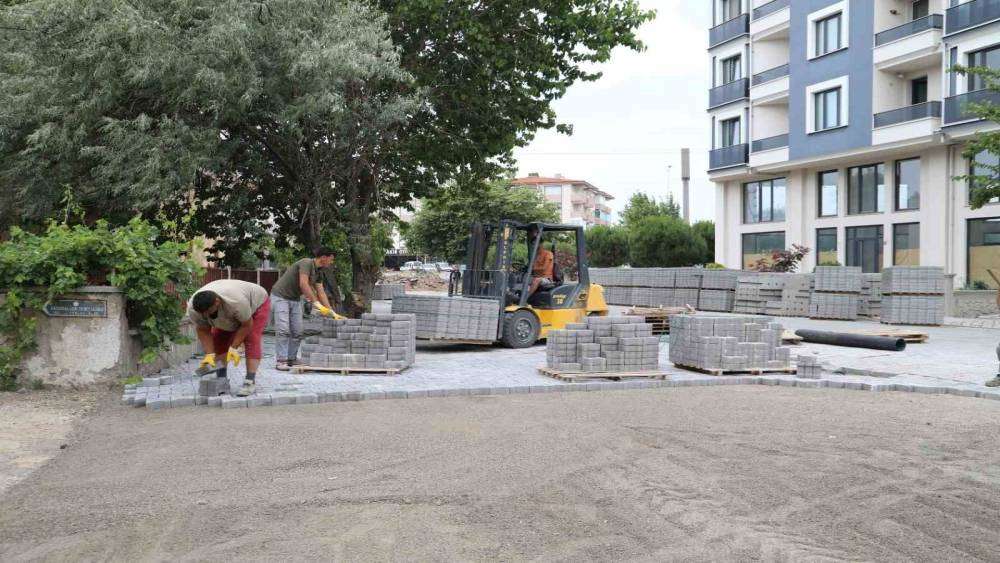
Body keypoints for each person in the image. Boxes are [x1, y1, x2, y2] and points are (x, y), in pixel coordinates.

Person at [189, 279, 271, 397]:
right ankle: (221, 381)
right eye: (202, 313)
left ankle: (249, 381)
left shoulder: (236, 302)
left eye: (208, 312)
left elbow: (246, 325)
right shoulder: (194, 309)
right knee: (219, 339)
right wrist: (209, 354)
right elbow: (203, 330)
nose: (205, 316)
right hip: (229, 309)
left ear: (217, 302)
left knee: (251, 338)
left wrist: (234, 347)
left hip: (257, 304)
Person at [269, 247, 338, 370]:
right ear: (323, 257)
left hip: (294, 299)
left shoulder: (319, 272)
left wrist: (331, 311)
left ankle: (292, 358)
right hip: (280, 297)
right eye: (331, 259)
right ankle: (281, 360)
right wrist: (316, 303)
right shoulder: (306, 263)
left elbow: (321, 292)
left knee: (298, 331)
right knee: (283, 329)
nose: (331, 262)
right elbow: (303, 284)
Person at [528, 227, 554, 296]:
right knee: (521, 279)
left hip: (546, 279)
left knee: (536, 280)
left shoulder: (548, 254)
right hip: (537, 276)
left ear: (540, 243)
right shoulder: (536, 255)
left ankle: (525, 299)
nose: (534, 246)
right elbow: (534, 267)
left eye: (535, 244)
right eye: (533, 244)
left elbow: (544, 268)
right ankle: (517, 296)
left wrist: (533, 268)